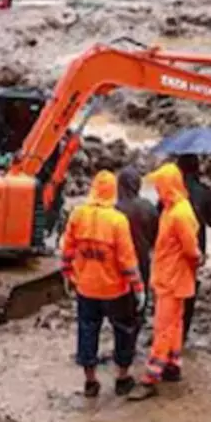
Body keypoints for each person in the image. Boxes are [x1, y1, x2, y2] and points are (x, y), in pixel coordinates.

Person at [61, 171, 143, 398]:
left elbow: (67, 249)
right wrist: (138, 288)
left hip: (86, 287)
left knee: (87, 330)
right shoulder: (117, 221)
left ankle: (90, 381)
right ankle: (122, 377)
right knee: (123, 330)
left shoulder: (78, 215)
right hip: (115, 289)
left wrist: (68, 274)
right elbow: (127, 260)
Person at [129, 163, 201, 399]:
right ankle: (172, 364)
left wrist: (195, 261)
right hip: (172, 276)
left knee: (163, 327)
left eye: (160, 186)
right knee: (175, 324)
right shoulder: (175, 209)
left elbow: (191, 250)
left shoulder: (179, 214)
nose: (157, 191)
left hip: (172, 278)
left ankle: (151, 376)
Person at [175, 154, 211, 340]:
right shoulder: (205, 191)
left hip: (172, 249)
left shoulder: (172, 192)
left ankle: (171, 328)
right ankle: (183, 331)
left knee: (172, 288)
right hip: (196, 250)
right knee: (189, 288)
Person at [116, 166, 158, 285]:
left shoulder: (114, 210)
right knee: (142, 295)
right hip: (142, 259)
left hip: (119, 264)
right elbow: (156, 237)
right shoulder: (148, 207)